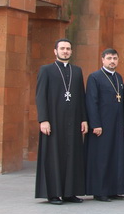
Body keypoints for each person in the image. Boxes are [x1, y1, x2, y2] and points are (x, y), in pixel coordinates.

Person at [35, 39, 88, 205]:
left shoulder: (77, 71)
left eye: (68, 49)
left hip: (73, 121)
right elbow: (40, 96)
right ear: (55, 51)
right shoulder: (46, 70)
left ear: (71, 52)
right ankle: (54, 194)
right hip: (54, 121)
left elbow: (81, 97)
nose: (65, 51)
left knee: (72, 155)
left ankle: (69, 192)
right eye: (62, 48)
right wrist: (43, 119)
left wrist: (84, 119)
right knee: (54, 156)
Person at [84, 48, 124, 202]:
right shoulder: (95, 77)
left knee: (115, 157)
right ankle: (100, 191)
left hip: (116, 125)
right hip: (101, 126)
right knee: (101, 159)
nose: (112, 61)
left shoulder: (119, 78)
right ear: (102, 60)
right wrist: (95, 124)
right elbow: (91, 102)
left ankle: (114, 189)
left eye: (115, 58)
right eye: (109, 58)